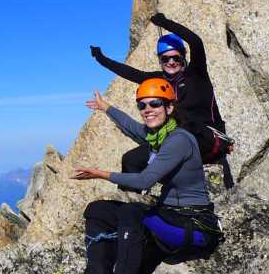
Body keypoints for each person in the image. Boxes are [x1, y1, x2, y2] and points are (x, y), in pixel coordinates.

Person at [57, 78, 222, 274]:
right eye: (142, 106)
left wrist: (102, 174)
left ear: (169, 107)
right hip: (170, 217)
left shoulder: (179, 140)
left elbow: (145, 180)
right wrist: (107, 108)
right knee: (98, 210)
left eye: (155, 104)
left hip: (192, 226)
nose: (148, 110)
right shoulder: (158, 136)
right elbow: (133, 128)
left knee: (132, 213)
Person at [90, 13, 232, 177]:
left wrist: (164, 22)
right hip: (178, 140)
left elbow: (196, 42)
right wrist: (101, 58)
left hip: (207, 138)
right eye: (165, 59)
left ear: (183, 57)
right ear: (160, 60)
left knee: (180, 131)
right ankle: (131, 199)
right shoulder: (159, 81)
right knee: (131, 160)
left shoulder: (196, 74)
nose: (171, 62)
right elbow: (130, 73)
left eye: (175, 58)